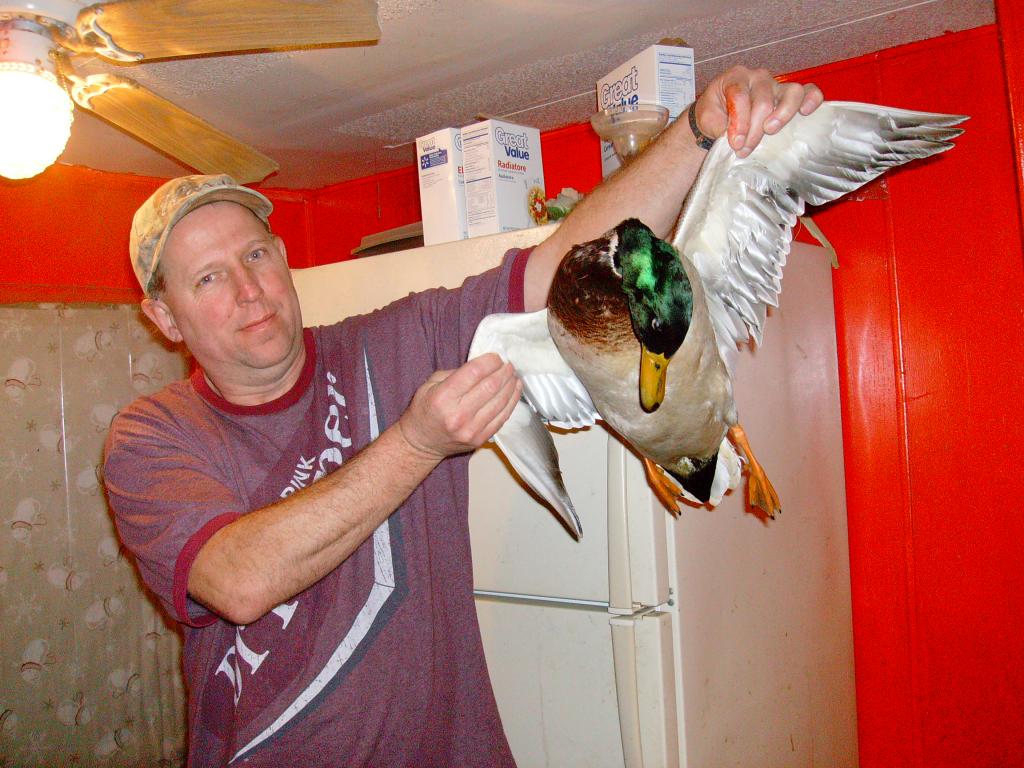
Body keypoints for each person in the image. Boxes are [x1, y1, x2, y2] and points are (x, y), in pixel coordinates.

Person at [103, 65, 823, 767]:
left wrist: (698, 128)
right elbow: (239, 582)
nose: (249, 289)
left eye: (256, 254)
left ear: (283, 257)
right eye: (208, 278)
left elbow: (556, 272)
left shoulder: (390, 342)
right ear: (164, 316)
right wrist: (416, 443)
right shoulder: (151, 438)